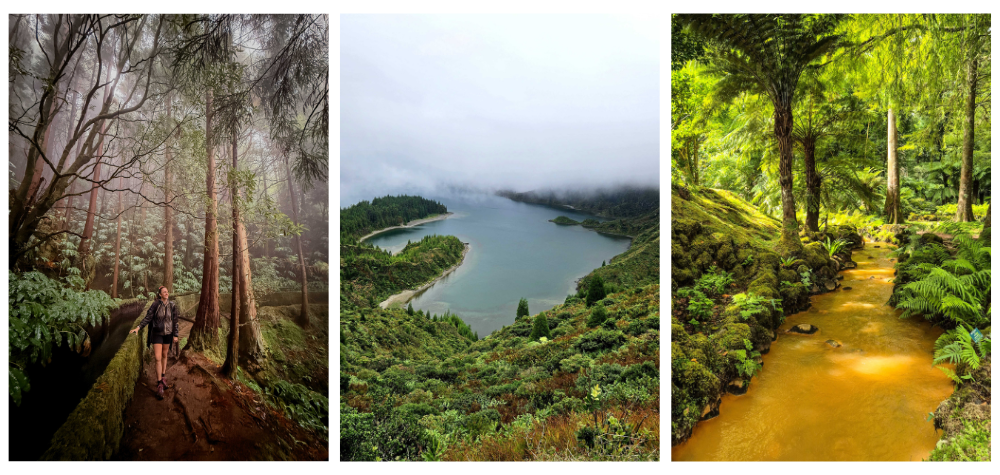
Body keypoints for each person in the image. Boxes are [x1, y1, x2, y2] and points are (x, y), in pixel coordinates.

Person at [129, 286, 180, 399]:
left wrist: (175, 334)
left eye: (167, 292)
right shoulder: (156, 305)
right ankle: (159, 383)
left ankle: (163, 376)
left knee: (164, 355)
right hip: (157, 334)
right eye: (164, 292)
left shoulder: (172, 305)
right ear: (160, 294)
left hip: (168, 334)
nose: (166, 293)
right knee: (157, 357)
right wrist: (138, 327)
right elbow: (148, 317)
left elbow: (175, 321)